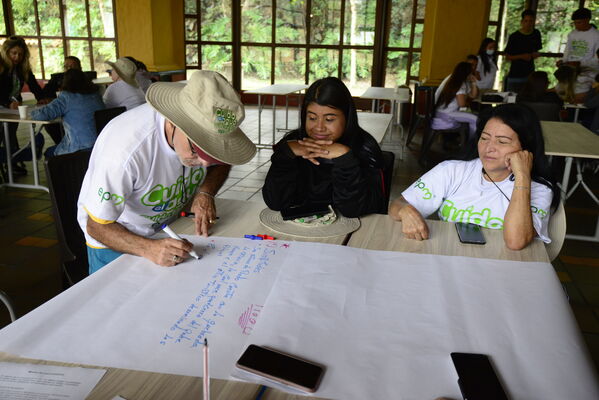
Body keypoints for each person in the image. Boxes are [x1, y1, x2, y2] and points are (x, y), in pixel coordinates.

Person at [77, 70, 256, 273]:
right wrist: (148, 248)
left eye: (212, 154)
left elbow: (223, 161)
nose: (206, 164)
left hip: (170, 229)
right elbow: (97, 226)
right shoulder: (124, 151)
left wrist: (206, 192)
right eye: (197, 151)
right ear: (173, 122)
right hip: (118, 239)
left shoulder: (203, 112)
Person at [388, 103, 559, 250]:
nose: (489, 148)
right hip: (449, 257)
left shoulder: (539, 188)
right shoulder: (453, 171)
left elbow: (516, 242)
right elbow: (397, 205)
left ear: (526, 148)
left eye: (502, 141)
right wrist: (405, 210)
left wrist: (522, 176)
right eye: (484, 138)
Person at [262, 77, 387, 218]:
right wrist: (285, 154)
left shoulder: (365, 148)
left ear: (347, 117)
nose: (319, 127)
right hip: (302, 229)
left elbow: (353, 211)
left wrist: (345, 158)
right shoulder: (294, 144)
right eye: (312, 118)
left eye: (329, 119)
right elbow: (275, 203)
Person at [0, 36, 51, 175]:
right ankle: (10, 163)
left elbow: (33, 84)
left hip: (12, 106)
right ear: (6, 52)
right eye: (14, 53)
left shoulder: (22, 68)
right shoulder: (1, 67)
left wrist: (41, 98)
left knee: (10, 134)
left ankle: (13, 163)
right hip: (5, 105)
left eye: (20, 54)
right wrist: (7, 102)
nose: (17, 57)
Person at [31, 68, 105, 157]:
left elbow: (42, 115)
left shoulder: (66, 97)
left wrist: (31, 112)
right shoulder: (96, 95)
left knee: (49, 153)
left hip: (79, 147)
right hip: (101, 144)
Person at [40, 56, 97, 145]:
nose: (69, 69)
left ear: (80, 69)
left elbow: (42, 114)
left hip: (79, 139)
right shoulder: (57, 79)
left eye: (72, 66)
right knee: (50, 124)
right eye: (66, 67)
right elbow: (45, 94)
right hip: (92, 140)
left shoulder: (87, 84)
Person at [431, 61, 479, 137]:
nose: (472, 74)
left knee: (474, 114)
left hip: (442, 112)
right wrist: (468, 110)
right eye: (471, 72)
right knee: (475, 119)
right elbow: (462, 104)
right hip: (447, 115)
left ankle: (467, 142)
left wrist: (474, 83)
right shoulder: (459, 84)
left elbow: (473, 95)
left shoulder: (455, 80)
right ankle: (471, 145)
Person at [504, 9, 542, 92]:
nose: (528, 23)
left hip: (529, 75)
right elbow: (507, 57)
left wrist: (535, 55)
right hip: (515, 75)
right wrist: (521, 56)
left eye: (530, 21)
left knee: (527, 101)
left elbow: (536, 51)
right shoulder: (514, 36)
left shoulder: (536, 34)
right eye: (526, 21)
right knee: (511, 100)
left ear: (533, 22)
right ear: (522, 22)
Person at [560, 7, 599, 78]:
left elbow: (597, 60)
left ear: (587, 20)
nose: (576, 25)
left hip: (587, 75)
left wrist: (580, 63)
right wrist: (563, 62)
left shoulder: (596, 35)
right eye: (575, 23)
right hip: (570, 73)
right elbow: (567, 51)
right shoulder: (572, 34)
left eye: (579, 22)